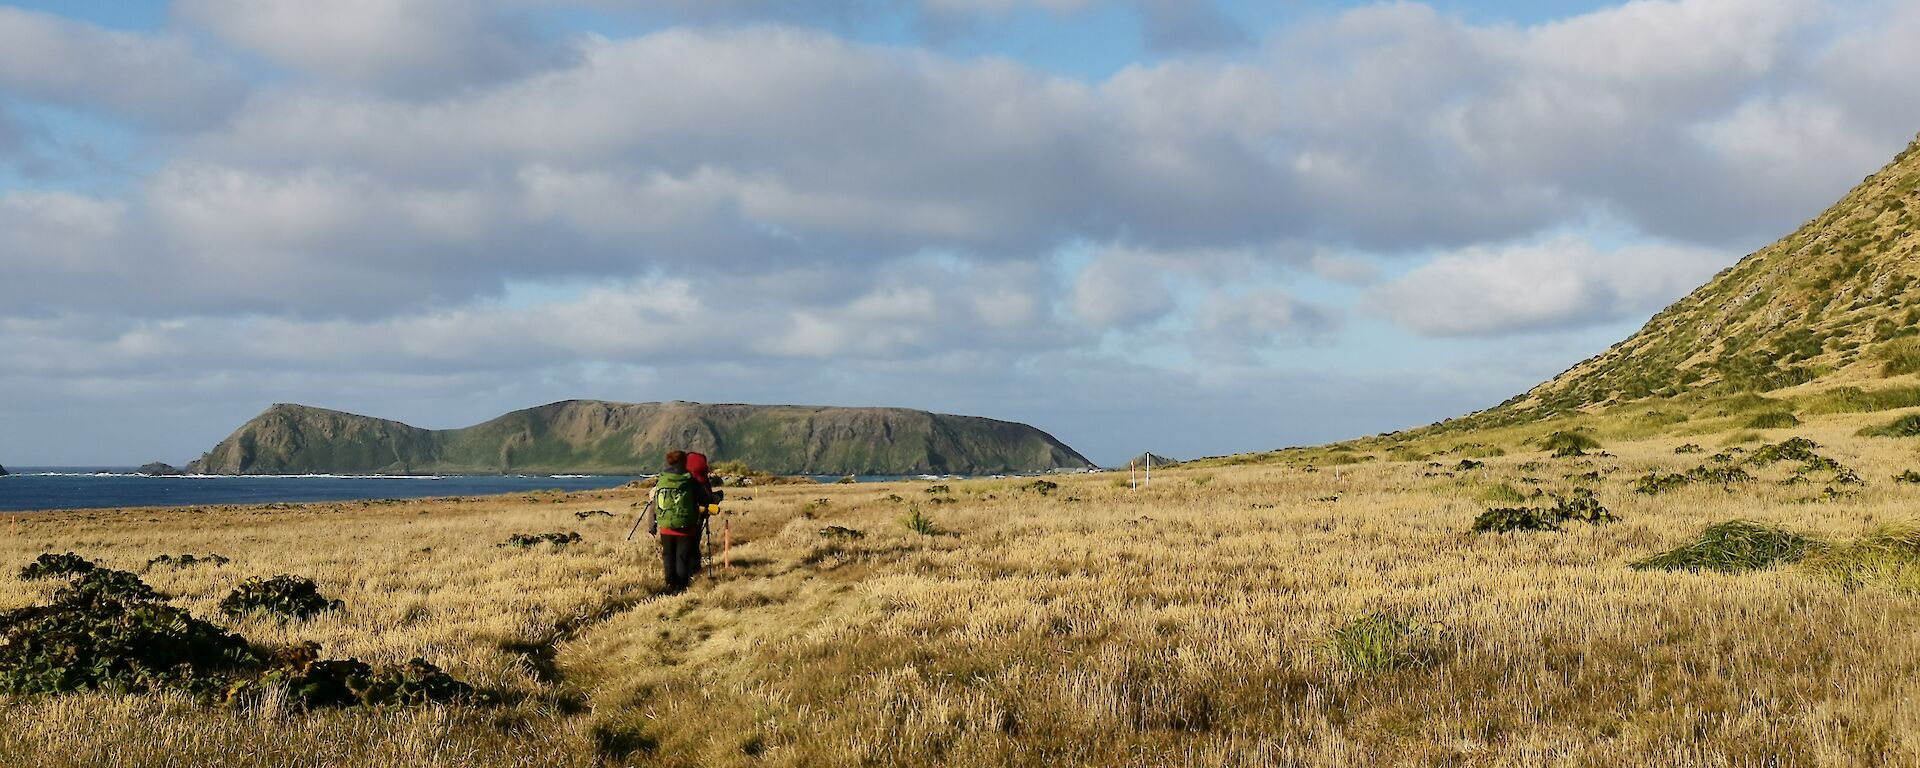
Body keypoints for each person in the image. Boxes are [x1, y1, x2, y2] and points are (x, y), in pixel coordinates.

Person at [651, 450, 714, 592]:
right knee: (682, 556)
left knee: (668, 555)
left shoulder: (662, 479)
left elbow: (655, 503)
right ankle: (681, 587)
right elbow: (704, 499)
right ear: (684, 462)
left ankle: (670, 584)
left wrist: (652, 524)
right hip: (686, 526)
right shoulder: (690, 480)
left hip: (665, 526)